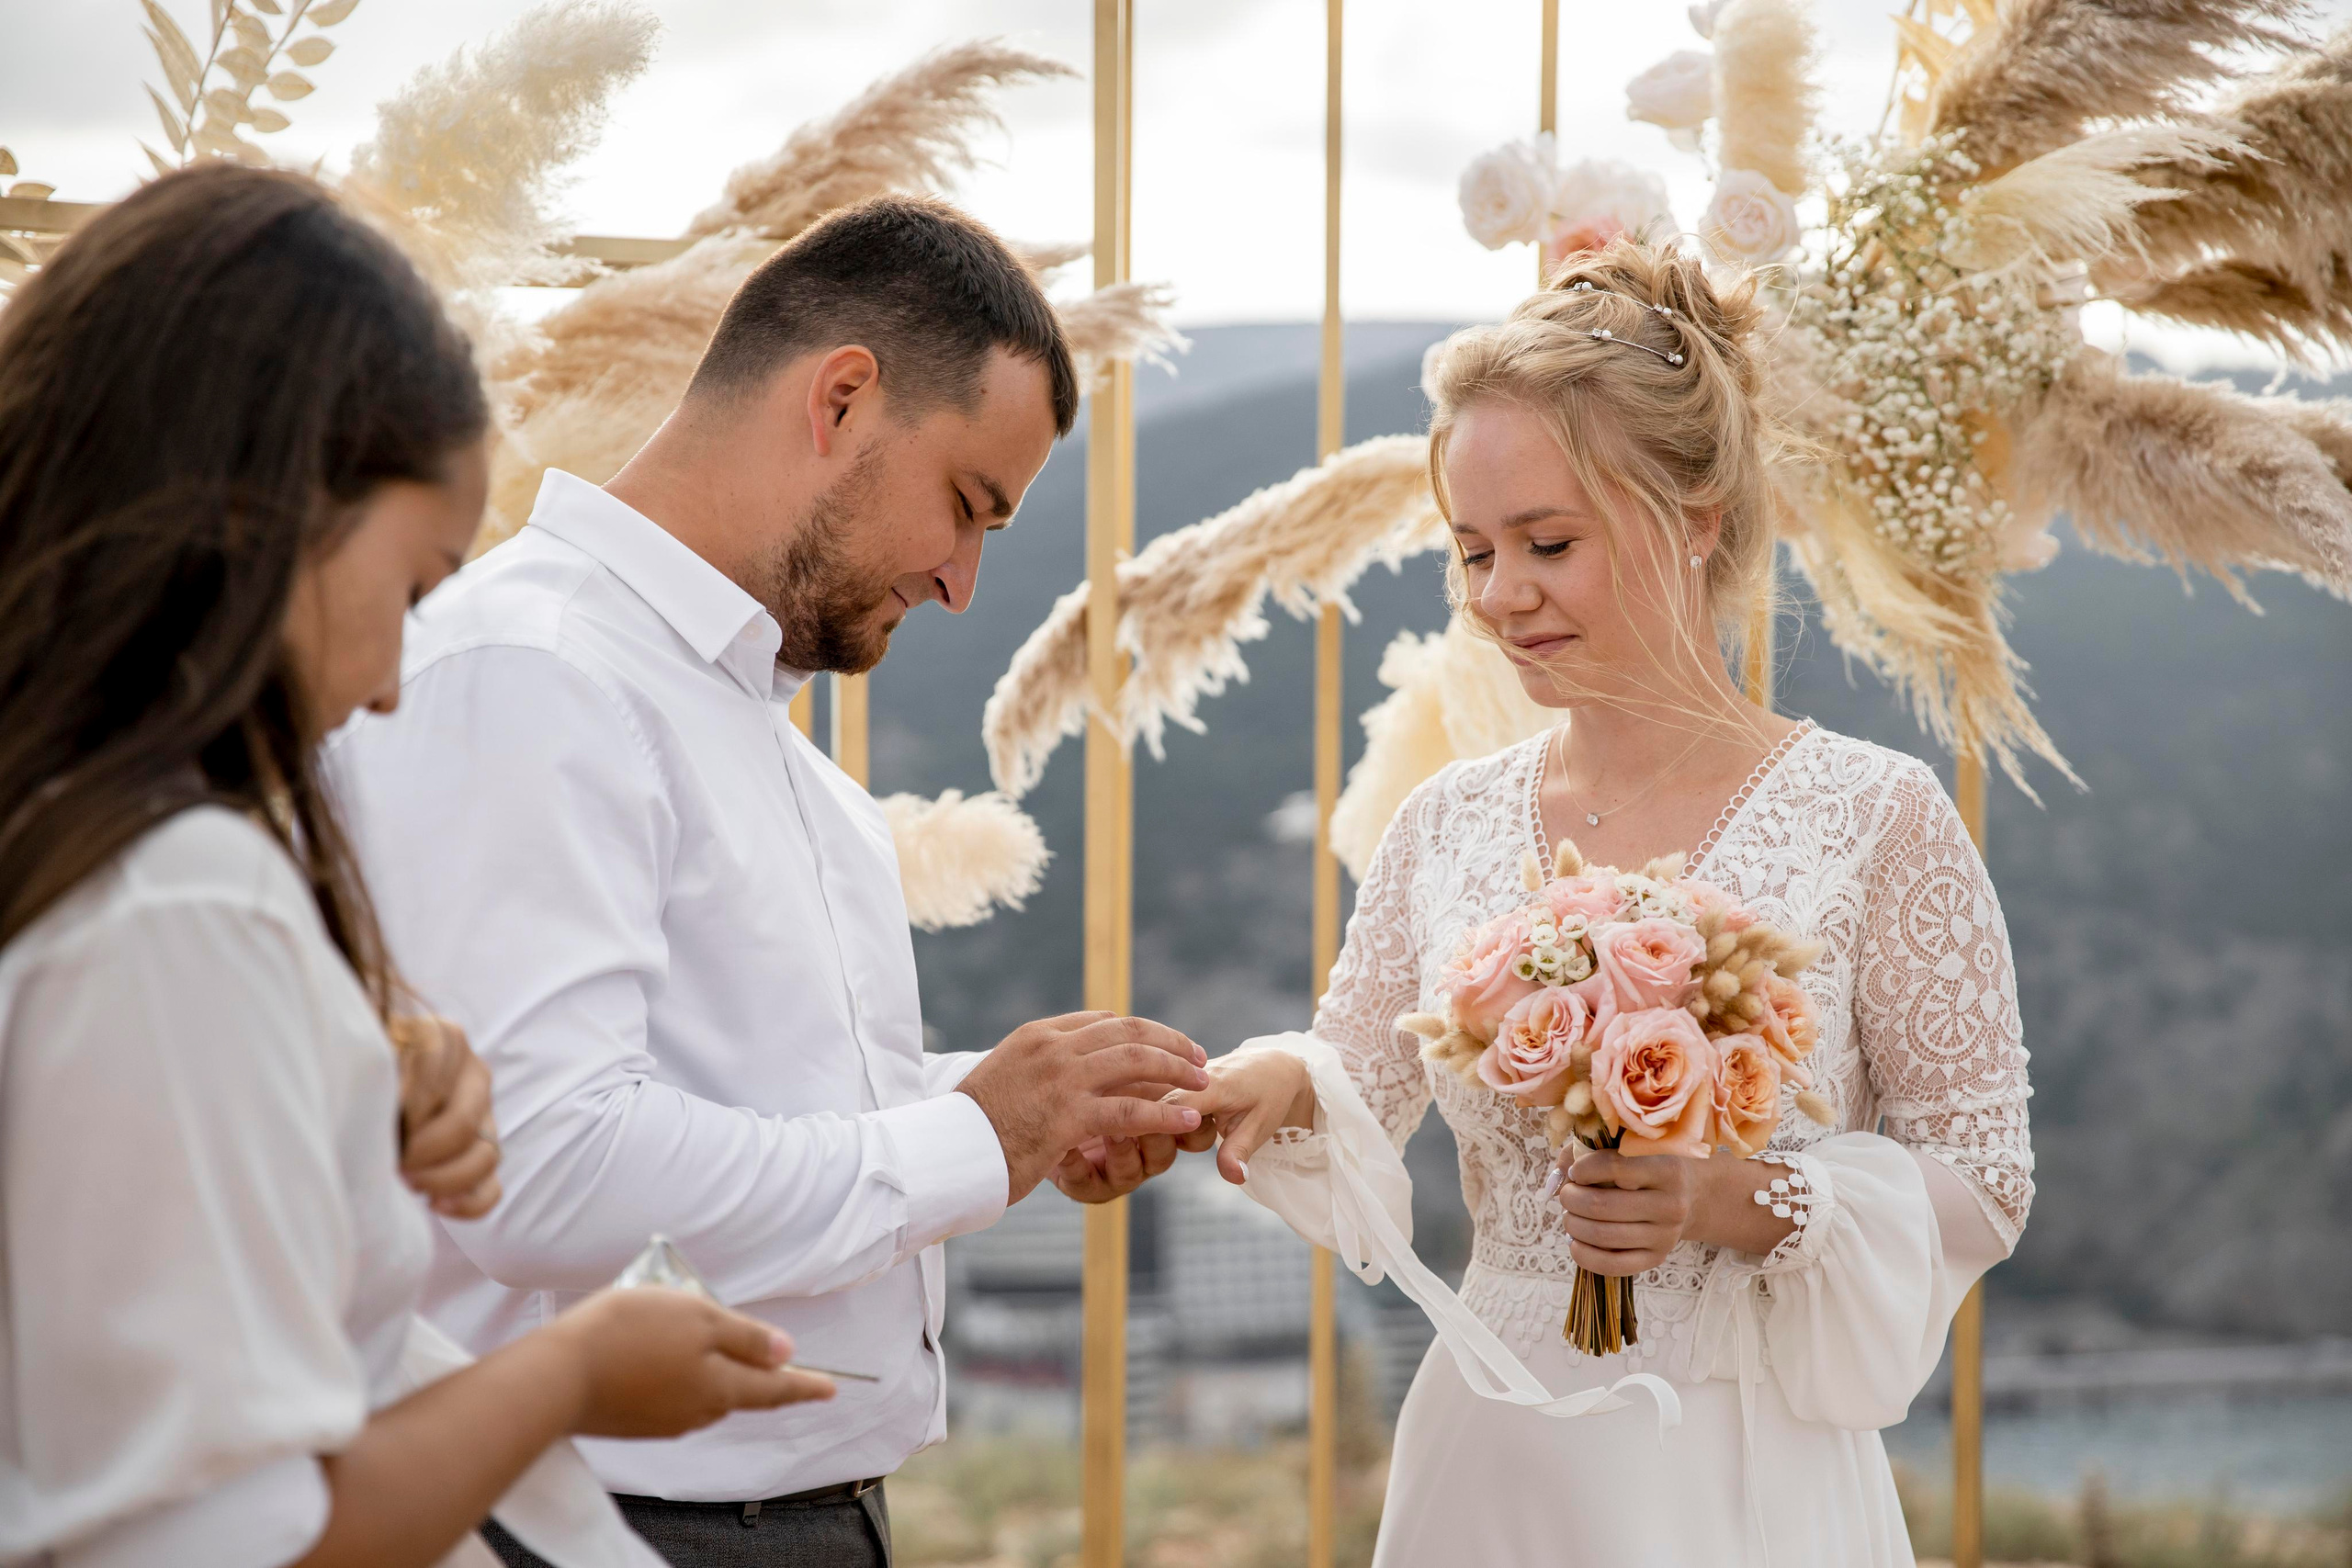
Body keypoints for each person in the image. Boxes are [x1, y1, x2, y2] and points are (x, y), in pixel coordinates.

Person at [324, 194, 1209, 1567]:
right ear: (844, 398)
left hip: (777, 1523)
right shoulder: (537, 673)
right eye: (969, 506)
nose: (966, 582)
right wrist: (968, 1138)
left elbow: (739, 1099)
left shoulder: (749, 726)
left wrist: (1018, 1124)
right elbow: (546, 1167)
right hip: (598, 1528)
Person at [0, 164, 840, 1568]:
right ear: (259, 510)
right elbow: (224, 1537)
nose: (396, 681)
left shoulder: (100, 856)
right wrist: (569, 1379)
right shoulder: (177, 896)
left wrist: (334, 1078)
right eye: (412, 589)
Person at [1170, 239, 2033, 1566]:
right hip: (1495, 1448)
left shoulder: (1879, 817)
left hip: (1742, 1473)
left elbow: (1987, 1179)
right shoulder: (1444, 821)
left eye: (1547, 543)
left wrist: (1736, 1198)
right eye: (1470, 552)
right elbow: (1356, 1070)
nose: (1499, 597)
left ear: (1695, 521)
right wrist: (1267, 1081)